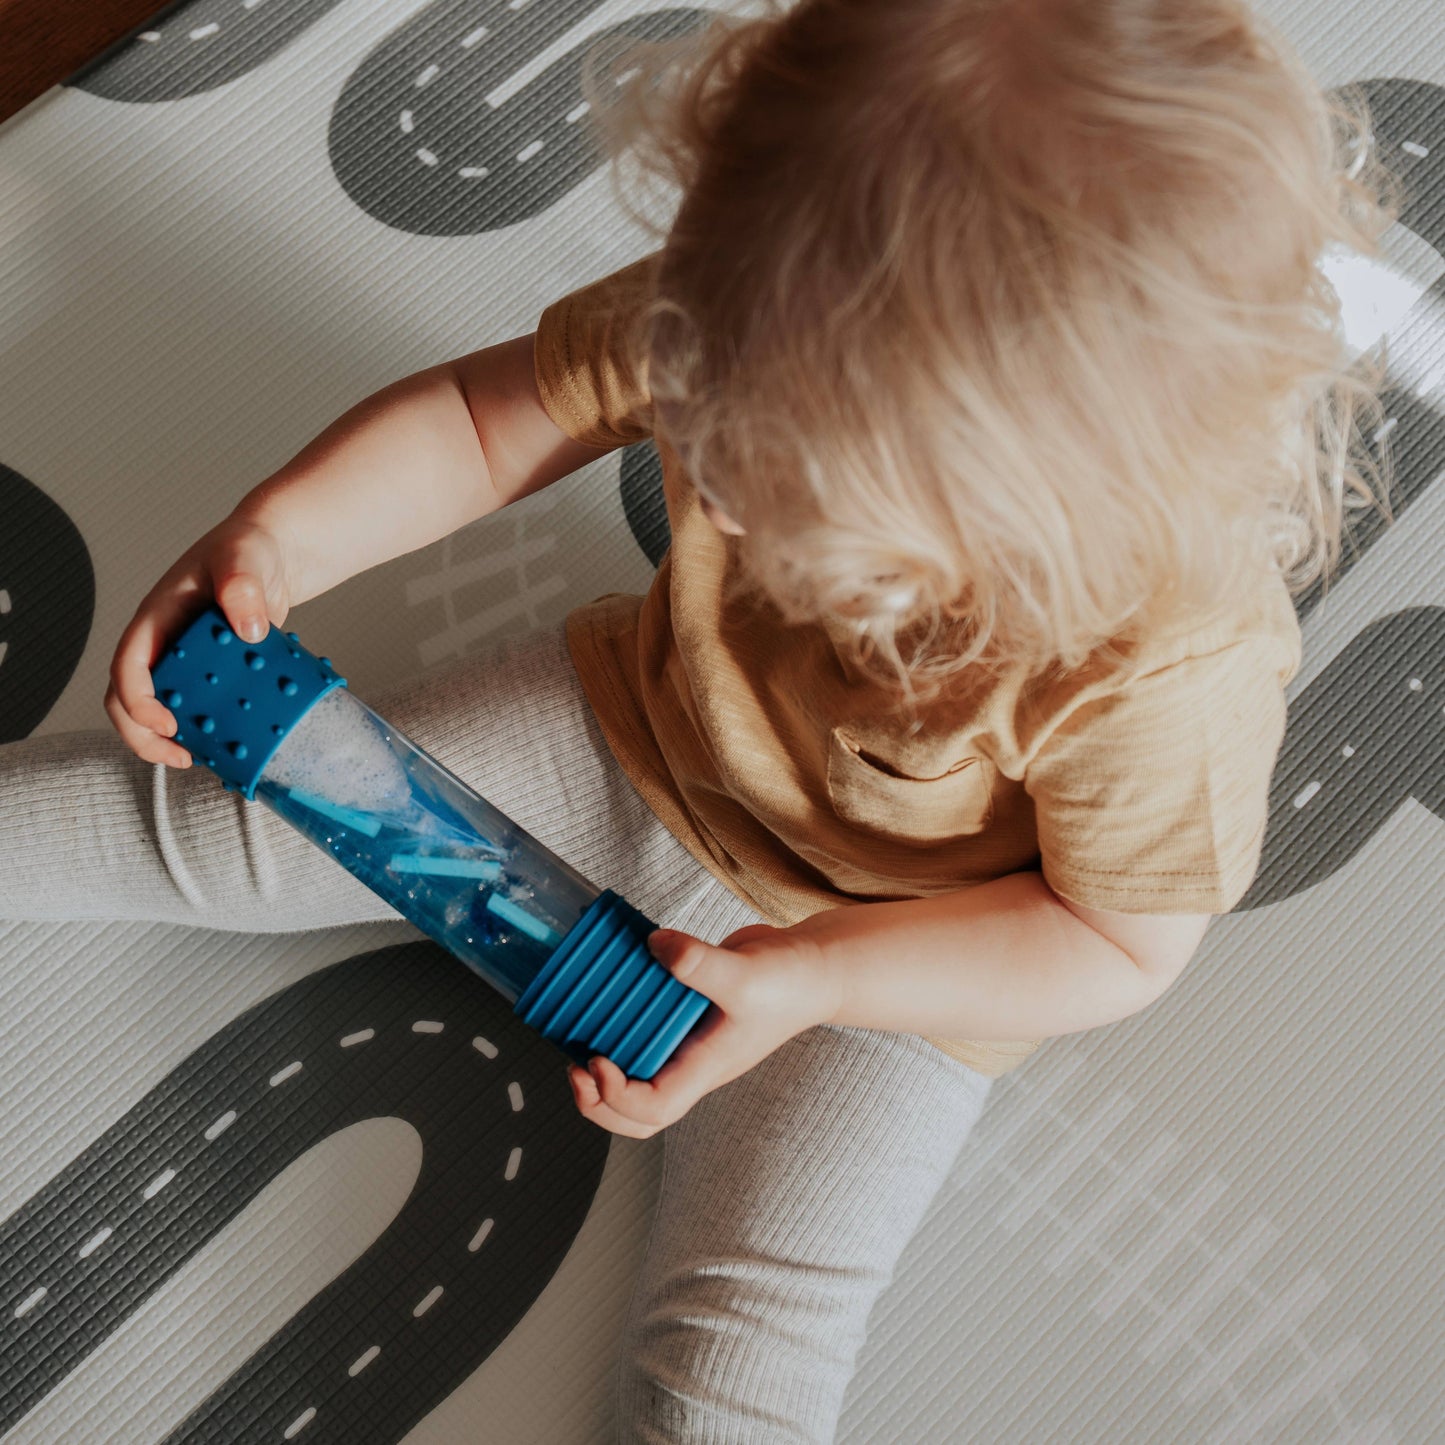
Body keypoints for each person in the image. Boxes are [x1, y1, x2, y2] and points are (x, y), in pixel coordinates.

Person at [0, 1, 1397, 1439]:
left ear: (1032, 519)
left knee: (734, 1357)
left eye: (776, 492)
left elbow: (1108, 942)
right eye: (706, 420)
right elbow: (493, 420)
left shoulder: (1167, 662)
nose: (705, 489)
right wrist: (276, 540)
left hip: (887, 975)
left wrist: (810, 982)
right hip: (630, 731)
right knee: (202, 830)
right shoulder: (771, 291)